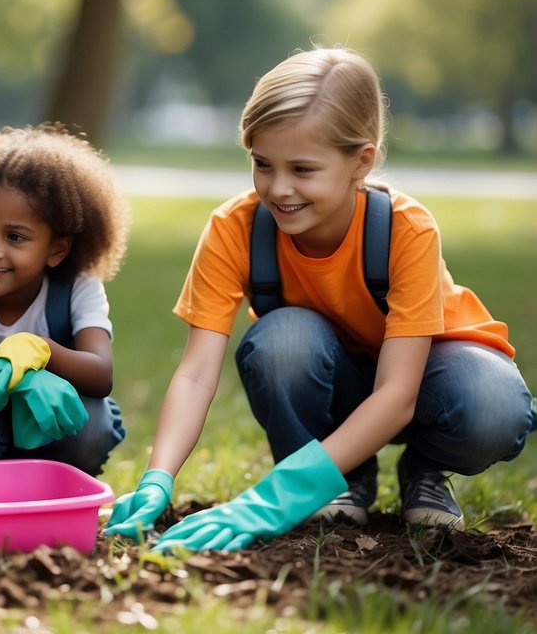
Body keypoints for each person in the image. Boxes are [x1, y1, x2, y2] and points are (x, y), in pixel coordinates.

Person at [104, 47, 535, 552]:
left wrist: (281, 494)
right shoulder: (234, 229)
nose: (279, 188)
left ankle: (425, 469)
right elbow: (197, 373)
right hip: (333, 380)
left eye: (303, 169)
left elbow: (399, 394)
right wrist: (159, 476)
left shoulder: (407, 230)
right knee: (281, 342)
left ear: (362, 162)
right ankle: (342, 473)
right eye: (262, 164)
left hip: (430, 383)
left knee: (491, 407)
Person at [0, 124, 129, 475]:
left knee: (92, 422)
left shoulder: (79, 286)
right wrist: (14, 380)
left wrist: (39, 350)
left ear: (57, 249)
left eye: (15, 237)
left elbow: (100, 374)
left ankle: (52, 484)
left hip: (47, 421)